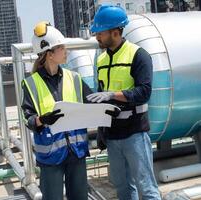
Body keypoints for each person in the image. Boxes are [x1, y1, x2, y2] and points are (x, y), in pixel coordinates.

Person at [87, 5, 161, 200]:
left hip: (134, 132)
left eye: (100, 33)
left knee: (147, 188)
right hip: (112, 134)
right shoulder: (101, 60)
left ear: (115, 32)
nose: (97, 37)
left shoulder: (138, 55)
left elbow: (144, 92)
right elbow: (101, 96)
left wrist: (113, 95)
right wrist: (102, 130)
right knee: (123, 189)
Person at [21, 21, 92, 200]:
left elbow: (91, 102)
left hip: (76, 151)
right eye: (61, 47)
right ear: (49, 54)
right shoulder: (31, 84)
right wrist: (42, 120)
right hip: (51, 155)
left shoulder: (74, 78)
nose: (65, 50)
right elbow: (28, 119)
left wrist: (107, 102)